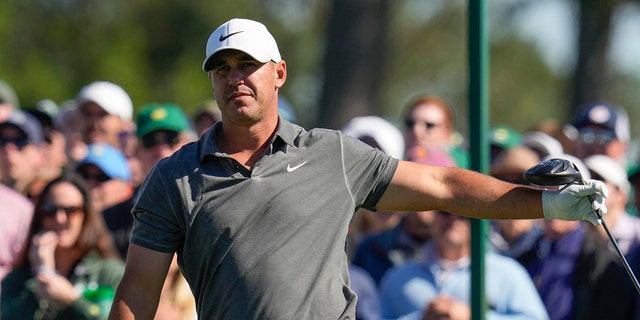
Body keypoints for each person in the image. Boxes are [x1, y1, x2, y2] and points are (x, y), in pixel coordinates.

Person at [109, 18, 609, 320]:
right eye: (222, 68)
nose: (234, 77)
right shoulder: (174, 176)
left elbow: (441, 184)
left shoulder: (333, 155)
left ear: (279, 73)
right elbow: (137, 291)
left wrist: (544, 202)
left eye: (247, 65)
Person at [379, 211, 549, 320]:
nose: (454, 220)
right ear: (434, 217)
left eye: (465, 215)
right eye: (445, 212)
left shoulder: (507, 272)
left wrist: (474, 316)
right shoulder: (398, 277)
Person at [2, 174, 125, 320]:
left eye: (71, 211)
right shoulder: (19, 279)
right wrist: (42, 273)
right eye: (50, 210)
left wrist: (72, 302)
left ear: (85, 216)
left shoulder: (109, 273)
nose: (60, 218)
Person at [352, 145, 455, 285]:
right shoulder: (371, 249)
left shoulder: (465, 251)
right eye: (415, 183)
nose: (421, 192)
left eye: (429, 184)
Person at [75, 143, 133, 258]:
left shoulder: (137, 228)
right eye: (84, 176)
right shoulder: (70, 222)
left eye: (102, 177)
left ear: (125, 186)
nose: (90, 184)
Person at [488, 145, 545, 259]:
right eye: (504, 182)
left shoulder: (549, 238)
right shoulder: (478, 237)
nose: (512, 190)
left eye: (521, 182)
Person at [583, 154, 640, 256]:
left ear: (621, 195)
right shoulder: (572, 235)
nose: (588, 185)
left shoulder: (637, 234)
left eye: (598, 179)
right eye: (584, 180)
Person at [0, 109, 47, 200]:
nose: (9, 148)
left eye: (20, 141)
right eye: (2, 140)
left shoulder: (51, 201)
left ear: (41, 154)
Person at [571, 102, 630, 167]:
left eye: (605, 138)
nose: (594, 145)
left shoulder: (635, 176)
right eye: (586, 135)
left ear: (623, 145)